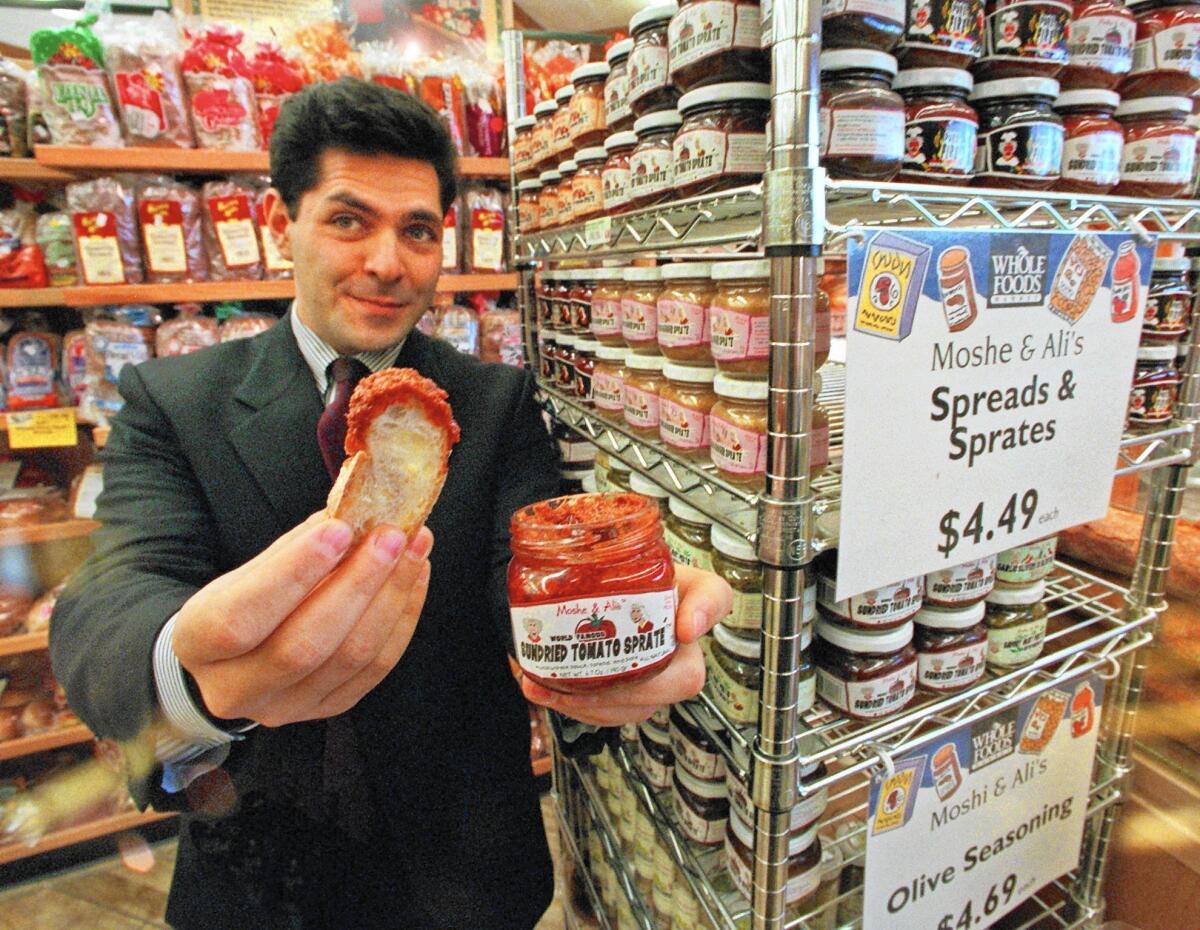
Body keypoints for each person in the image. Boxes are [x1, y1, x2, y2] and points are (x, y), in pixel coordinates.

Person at [48, 78, 731, 930]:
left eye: (416, 230)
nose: (386, 262)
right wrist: (194, 672)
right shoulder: (173, 400)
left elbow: (517, 574)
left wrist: (607, 614)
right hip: (258, 874)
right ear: (278, 225)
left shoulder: (495, 401)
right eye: (347, 220)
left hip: (465, 874)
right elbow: (114, 596)